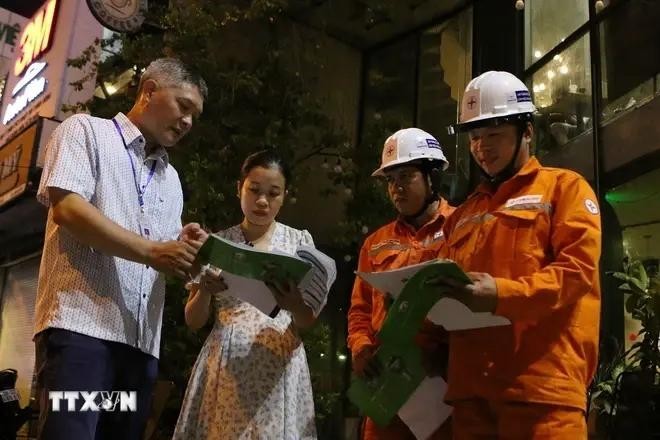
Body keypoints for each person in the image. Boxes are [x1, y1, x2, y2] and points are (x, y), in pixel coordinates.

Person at [34, 58, 208, 440]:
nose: (188, 122)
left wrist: (182, 247)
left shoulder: (171, 178)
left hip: (139, 347)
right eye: (183, 106)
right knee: (71, 434)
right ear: (148, 91)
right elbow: (68, 209)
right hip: (81, 335)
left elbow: (158, 254)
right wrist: (151, 251)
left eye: (195, 115)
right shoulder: (86, 131)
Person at [432, 71, 601, 438]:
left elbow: (576, 273)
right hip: (471, 398)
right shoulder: (461, 216)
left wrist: (501, 295)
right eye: (475, 137)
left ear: (527, 131)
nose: (481, 147)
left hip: (542, 394)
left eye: (493, 134)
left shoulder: (565, 189)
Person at [174, 149, 332, 440]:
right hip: (227, 359)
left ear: (284, 195)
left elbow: (308, 320)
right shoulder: (218, 244)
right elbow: (193, 320)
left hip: (278, 361)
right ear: (239, 188)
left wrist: (294, 304)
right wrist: (205, 292)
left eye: (273, 193)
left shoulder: (299, 243)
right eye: (254, 190)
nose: (262, 201)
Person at [347, 128, 454, 439]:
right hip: (387, 386)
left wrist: (449, 355)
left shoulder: (461, 227)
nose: (396, 188)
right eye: (390, 180)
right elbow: (359, 310)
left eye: (406, 176)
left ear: (432, 177)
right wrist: (361, 347)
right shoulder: (375, 243)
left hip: (442, 388)